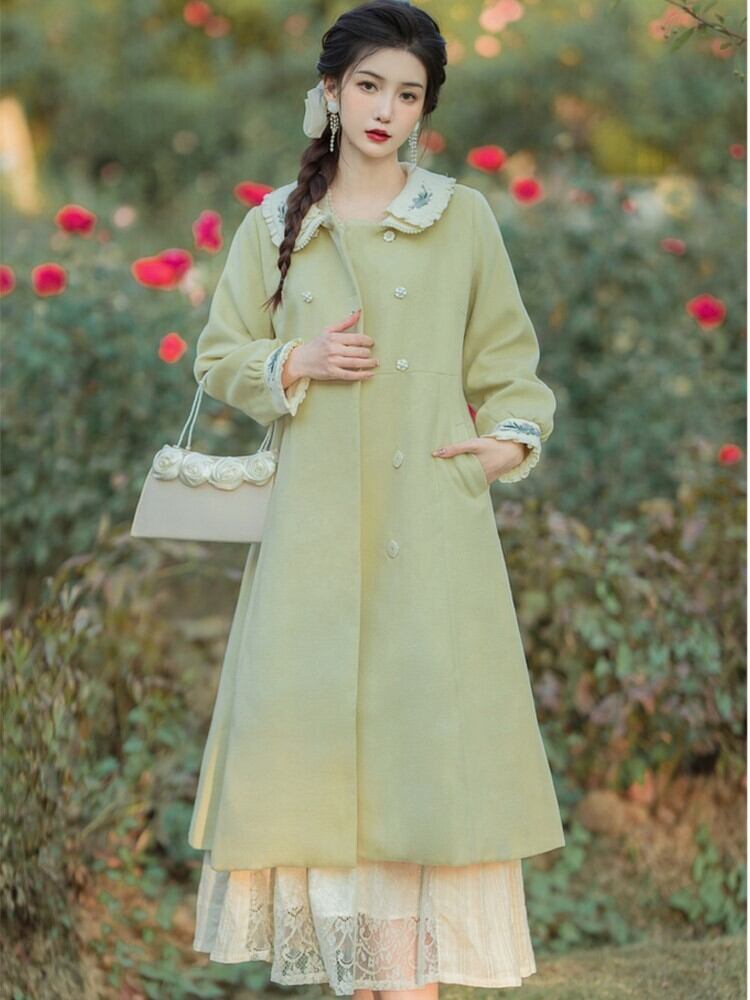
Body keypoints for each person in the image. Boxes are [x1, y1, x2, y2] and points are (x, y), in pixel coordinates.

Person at [189, 1, 565, 995]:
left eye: (408, 93)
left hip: (429, 537)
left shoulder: (460, 218)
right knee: (326, 795)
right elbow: (218, 356)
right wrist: (296, 359)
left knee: (419, 787)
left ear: (424, 110)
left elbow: (511, 366)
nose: (385, 109)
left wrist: (505, 443)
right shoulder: (276, 223)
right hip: (312, 547)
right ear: (331, 91)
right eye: (368, 86)